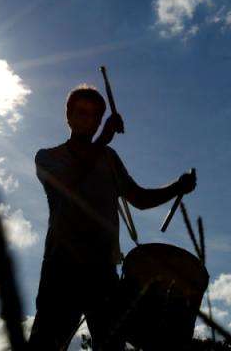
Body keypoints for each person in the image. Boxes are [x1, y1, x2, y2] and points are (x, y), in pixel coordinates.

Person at [28, 85, 196, 350]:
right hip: (62, 267)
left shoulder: (109, 158)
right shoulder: (48, 157)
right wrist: (102, 141)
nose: (88, 120)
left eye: (95, 116)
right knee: (45, 343)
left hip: (103, 269)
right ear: (68, 117)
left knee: (112, 344)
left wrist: (177, 187)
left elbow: (138, 198)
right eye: (81, 113)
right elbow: (68, 186)